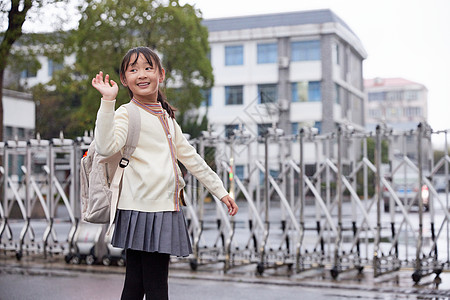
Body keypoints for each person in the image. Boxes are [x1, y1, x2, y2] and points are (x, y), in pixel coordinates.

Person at [91, 46, 238, 300]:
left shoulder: (167, 118)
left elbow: (192, 158)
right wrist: (107, 102)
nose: (142, 74)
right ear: (125, 79)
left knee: (136, 284)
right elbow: (105, 148)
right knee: (157, 286)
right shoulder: (127, 112)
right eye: (133, 69)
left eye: (148, 68)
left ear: (161, 74)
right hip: (142, 209)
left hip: (161, 208)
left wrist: (221, 191)